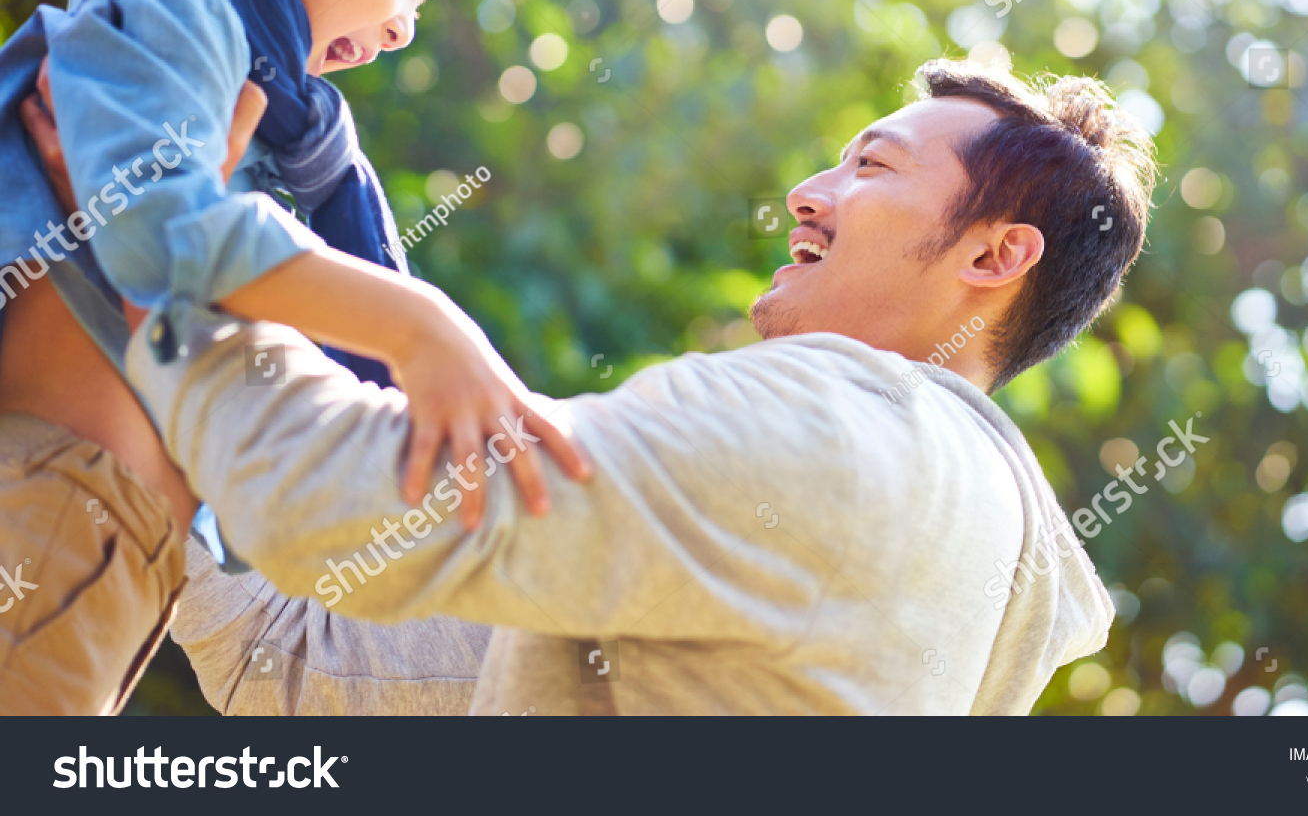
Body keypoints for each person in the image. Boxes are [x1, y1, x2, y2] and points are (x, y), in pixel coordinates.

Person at [105, 57, 1157, 715]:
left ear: (993, 258)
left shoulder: (829, 422)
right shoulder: (970, 596)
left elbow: (340, 503)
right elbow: (294, 667)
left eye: (872, 168)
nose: (807, 193)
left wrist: (162, 282)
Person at [0, 0, 585, 715]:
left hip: (97, 529)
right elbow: (159, 227)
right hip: (55, 503)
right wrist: (416, 324)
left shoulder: (251, 100)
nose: (404, 27)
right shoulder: (171, 1)